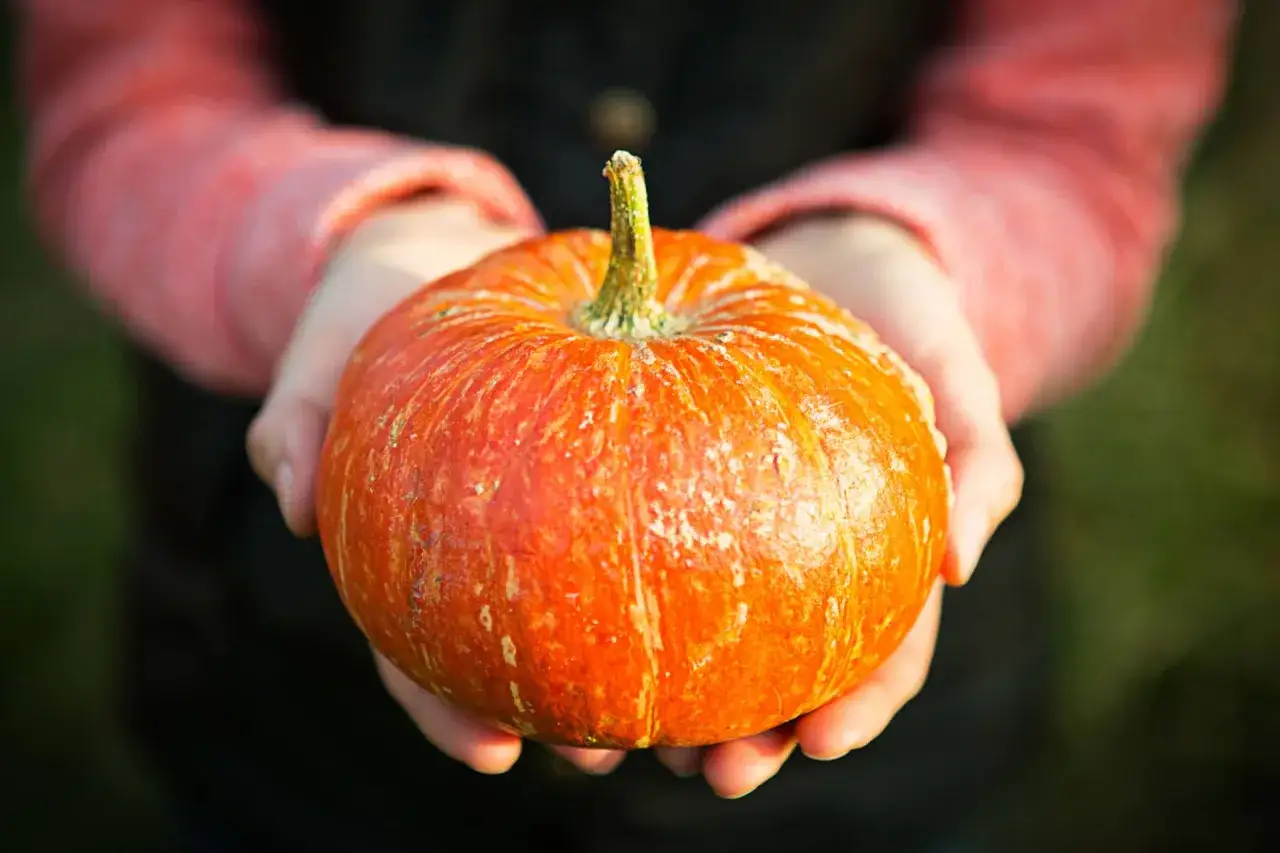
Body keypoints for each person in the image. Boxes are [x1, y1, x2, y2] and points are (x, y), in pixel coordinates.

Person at [18, 0, 1235, 851]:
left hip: (864, 792)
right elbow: (121, 94)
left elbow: (1075, 138)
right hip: (287, 700)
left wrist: (917, 251)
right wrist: (346, 239)